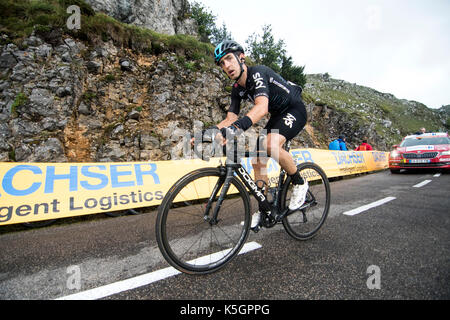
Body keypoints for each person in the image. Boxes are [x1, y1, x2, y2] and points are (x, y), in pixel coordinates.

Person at [202, 40, 308, 230]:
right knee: (258, 160)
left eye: (228, 59)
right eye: (222, 63)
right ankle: (264, 208)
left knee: (270, 145)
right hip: (278, 116)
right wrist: (206, 133)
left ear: (241, 58)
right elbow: (229, 119)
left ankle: (300, 183)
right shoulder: (237, 89)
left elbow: (261, 107)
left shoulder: (257, 73)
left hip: (294, 110)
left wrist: (236, 128)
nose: (226, 66)